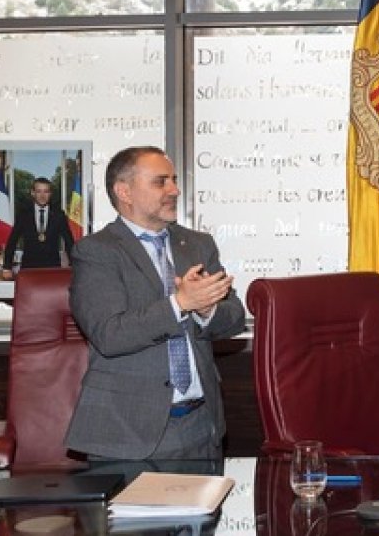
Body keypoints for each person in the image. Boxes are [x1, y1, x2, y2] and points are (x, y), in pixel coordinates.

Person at [66, 146, 246, 460]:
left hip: (201, 426)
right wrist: (180, 303)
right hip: (128, 433)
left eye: (174, 180)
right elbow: (109, 334)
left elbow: (234, 317)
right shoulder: (97, 252)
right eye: (160, 182)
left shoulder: (198, 245)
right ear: (125, 191)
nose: (174, 190)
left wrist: (207, 310)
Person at [0, 177, 75, 278]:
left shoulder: (59, 215)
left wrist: (74, 266)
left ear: (50, 194)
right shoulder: (23, 215)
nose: (42, 196)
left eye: (46, 191)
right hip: (28, 269)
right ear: (33, 193)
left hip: (52, 269)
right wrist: (7, 267)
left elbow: (69, 241)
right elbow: (12, 241)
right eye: (39, 191)